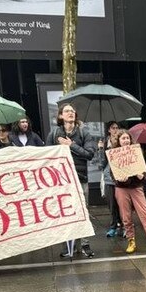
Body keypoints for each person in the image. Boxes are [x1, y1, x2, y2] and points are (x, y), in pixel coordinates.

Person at [46, 103, 97, 258]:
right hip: (61, 181)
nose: (71, 113)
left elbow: (89, 154)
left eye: (73, 111)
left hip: (80, 179)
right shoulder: (54, 133)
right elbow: (46, 156)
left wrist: (71, 145)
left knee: (83, 211)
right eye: (67, 111)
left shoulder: (83, 133)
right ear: (61, 116)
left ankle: (85, 244)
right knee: (64, 212)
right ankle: (68, 246)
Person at [97, 121, 124, 238]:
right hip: (109, 178)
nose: (115, 130)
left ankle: (124, 226)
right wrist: (100, 150)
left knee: (122, 205)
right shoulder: (104, 144)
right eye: (113, 128)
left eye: (117, 128)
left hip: (121, 178)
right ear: (109, 130)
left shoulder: (121, 142)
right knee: (112, 205)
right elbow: (100, 165)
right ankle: (113, 226)